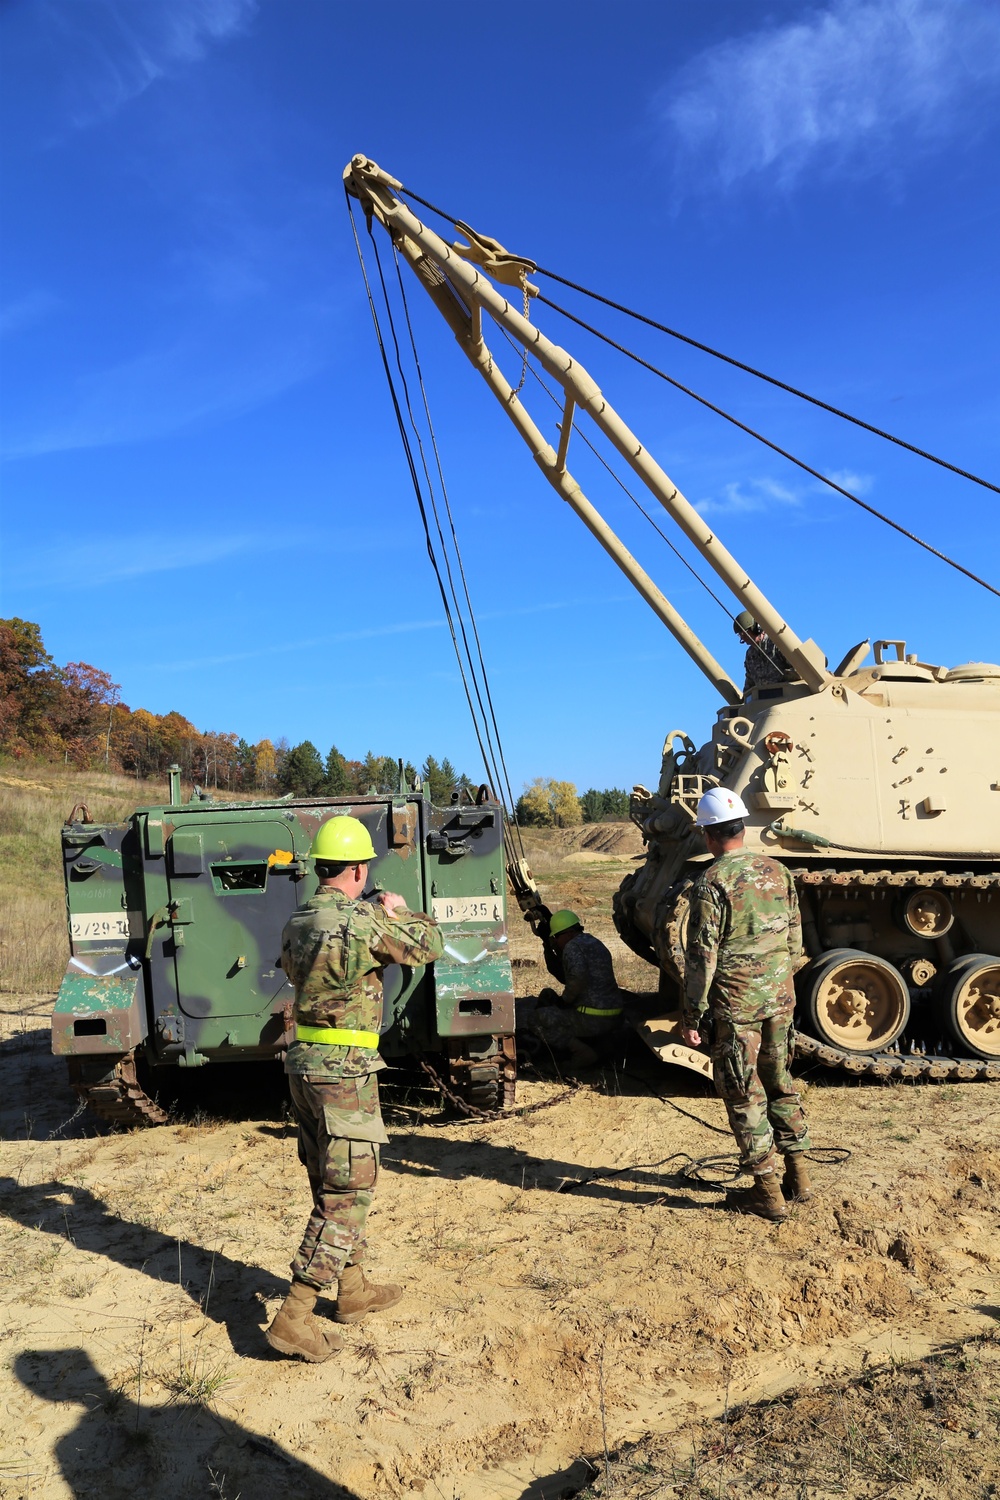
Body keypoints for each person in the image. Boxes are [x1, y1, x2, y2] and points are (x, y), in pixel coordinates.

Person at [266, 814, 444, 1362]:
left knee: (330, 1179)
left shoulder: (298, 919)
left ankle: (353, 1290)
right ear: (359, 869)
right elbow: (430, 944)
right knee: (348, 1194)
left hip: (304, 1065)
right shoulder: (362, 922)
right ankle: (295, 1315)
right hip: (344, 1070)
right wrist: (397, 910)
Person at [679, 788, 812, 1222]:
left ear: (708, 835)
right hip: (780, 1001)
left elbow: (702, 956)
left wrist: (692, 1014)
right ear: (741, 827)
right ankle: (800, 1177)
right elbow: (795, 942)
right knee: (780, 1081)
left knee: (743, 1095)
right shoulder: (778, 871)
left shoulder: (711, 883)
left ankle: (768, 1195)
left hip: (738, 1008)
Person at [517, 909, 624, 1069]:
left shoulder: (572, 948)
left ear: (566, 934)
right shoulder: (594, 942)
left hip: (591, 1019)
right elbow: (564, 973)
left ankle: (582, 1052)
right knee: (548, 995)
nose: (555, 942)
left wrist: (564, 1001)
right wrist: (548, 945)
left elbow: (577, 979)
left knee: (536, 1019)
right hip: (614, 1015)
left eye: (556, 937)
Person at [734, 610, 791, 692]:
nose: (742, 638)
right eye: (740, 635)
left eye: (744, 633)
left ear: (756, 628)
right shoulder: (750, 654)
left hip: (787, 698)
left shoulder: (777, 644)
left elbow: (798, 671)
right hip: (764, 702)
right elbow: (750, 683)